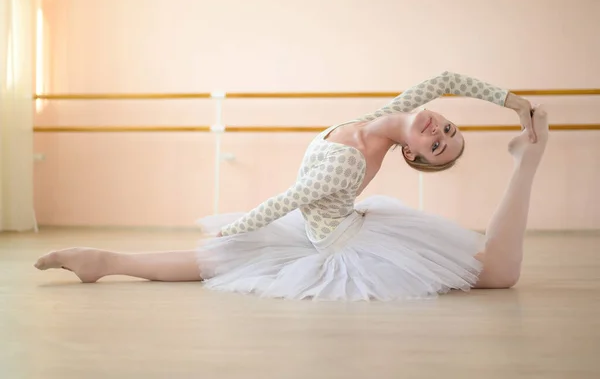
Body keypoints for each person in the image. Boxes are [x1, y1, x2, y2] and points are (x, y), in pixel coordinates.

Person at [34, 71, 549, 301]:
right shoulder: (388, 116)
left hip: (340, 238)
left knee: (498, 274)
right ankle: (105, 261)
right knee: (219, 263)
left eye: (439, 148)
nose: (441, 133)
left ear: (412, 154)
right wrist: (514, 103)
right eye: (449, 130)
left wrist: (231, 231)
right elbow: (446, 77)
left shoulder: (350, 159)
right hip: (322, 230)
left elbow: (284, 200)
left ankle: (527, 160)